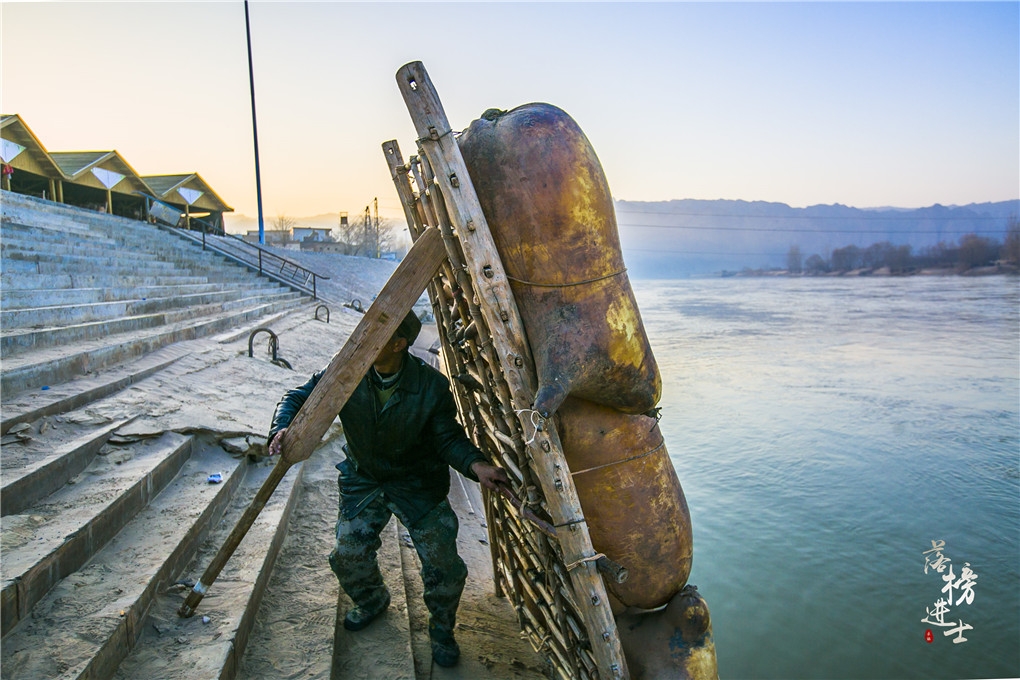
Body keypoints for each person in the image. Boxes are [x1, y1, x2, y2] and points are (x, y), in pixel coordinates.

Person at [267, 310, 508, 668]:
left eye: (377, 336)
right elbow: (298, 396)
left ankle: (442, 630)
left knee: (444, 567)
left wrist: (476, 465)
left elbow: (447, 439)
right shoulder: (346, 370)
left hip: (417, 484)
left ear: (399, 344)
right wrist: (281, 427)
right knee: (346, 555)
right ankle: (372, 600)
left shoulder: (431, 386)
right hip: (364, 479)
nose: (364, 341)